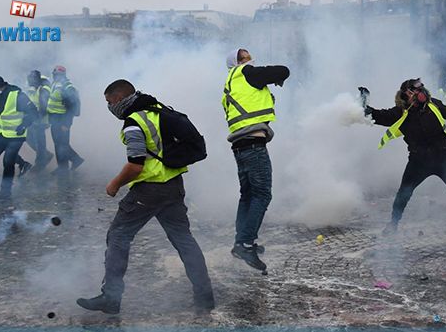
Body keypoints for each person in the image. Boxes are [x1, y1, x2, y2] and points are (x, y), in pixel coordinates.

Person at [77, 79, 214, 315]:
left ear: (119, 99)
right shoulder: (159, 110)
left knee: (118, 235)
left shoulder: (134, 123)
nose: (110, 108)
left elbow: (135, 165)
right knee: (184, 240)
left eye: (110, 103)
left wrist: (114, 184)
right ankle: (205, 297)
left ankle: (111, 298)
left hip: (148, 191)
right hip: (173, 186)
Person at [362, 78, 446, 234]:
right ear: (407, 94)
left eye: (422, 87)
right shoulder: (400, 112)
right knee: (404, 193)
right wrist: (363, 106)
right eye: (416, 89)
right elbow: (377, 116)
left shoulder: (434, 105)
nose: (421, 91)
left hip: (445, 158)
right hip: (419, 161)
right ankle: (393, 224)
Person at [221, 48, 289, 272]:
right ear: (238, 62)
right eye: (244, 56)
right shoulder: (246, 73)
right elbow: (283, 70)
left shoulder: (230, 84)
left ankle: (240, 242)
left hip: (240, 147)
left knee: (248, 196)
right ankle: (246, 244)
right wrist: (275, 77)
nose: (249, 58)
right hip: (253, 145)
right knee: (262, 195)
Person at [47, 65, 84, 174]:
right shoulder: (56, 84)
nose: (55, 76)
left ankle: (74, 160)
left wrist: (66, 124)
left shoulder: (67, 87)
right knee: (58, 144)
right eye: (54, 74)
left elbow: (72, 108)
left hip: (62, 120)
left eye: (57, 75)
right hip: (54, 119)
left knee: (62, 144)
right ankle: (63, 166)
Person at [26, 70, 54, 171]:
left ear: (36, 79)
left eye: (30, 80)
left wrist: (36, 117)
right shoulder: (34, 88)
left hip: (40, 121)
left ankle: (40, 164)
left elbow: (43, 107)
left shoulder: (44, 89)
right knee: (29, 138)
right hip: (34, 120)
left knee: (40, 143)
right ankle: (46, 155)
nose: (29, 82)